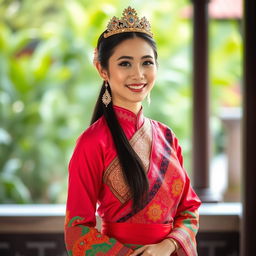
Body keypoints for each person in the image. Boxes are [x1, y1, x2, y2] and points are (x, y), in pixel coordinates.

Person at [64, 6, 201, 256]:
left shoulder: (167, 137)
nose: (138, 74)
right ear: (102, 70)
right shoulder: (92, 142)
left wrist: (166, 246)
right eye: (125, 63)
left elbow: (189, 210)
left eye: (146, 62)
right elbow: (77, 229)